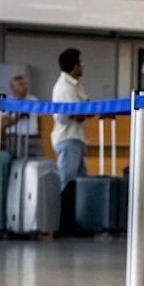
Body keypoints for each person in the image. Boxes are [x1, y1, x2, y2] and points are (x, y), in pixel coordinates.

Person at [51, 48, 89, 190]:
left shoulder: (75, 85)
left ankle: (76, 212)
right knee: (68, 183)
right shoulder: (65, 87)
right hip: (67, 139)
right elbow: (78, 114)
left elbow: (86, 108)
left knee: (80, 181)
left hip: (76, 138)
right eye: (80, 62)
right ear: (74, 66)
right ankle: (66, 212)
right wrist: (85, 111)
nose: (82, 65)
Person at [4, 74, 42, 158]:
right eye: (21, 84)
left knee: (35, 162)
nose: (24, 87)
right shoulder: (8, 102)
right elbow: (2, 123)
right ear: (13, 88)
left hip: (33, 136)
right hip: (15, 137)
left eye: (25, 84)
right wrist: (17, 117)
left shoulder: (33, 100)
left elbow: (40, 119)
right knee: (17, 162)